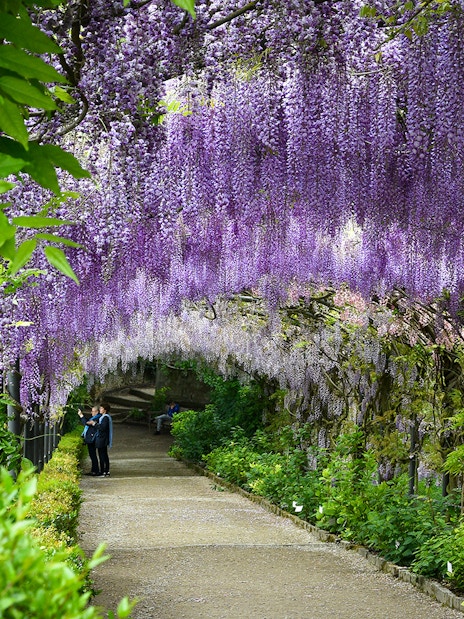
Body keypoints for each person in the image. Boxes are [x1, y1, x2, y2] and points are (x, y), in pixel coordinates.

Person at [91, 401, 113, 477]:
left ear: (105, 410)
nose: (100, 409)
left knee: (102, 455)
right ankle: (105, 471)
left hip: (102, 438)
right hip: (102, 438)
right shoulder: (104, 417)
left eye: (101, 408)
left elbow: (102, 428)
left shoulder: (105, 417)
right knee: (103, 454)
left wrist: (94, 424)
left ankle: (104, 471)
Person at [78, 406, 101, 476]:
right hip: (90, 438)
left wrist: (81, 415)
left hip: (92, 439)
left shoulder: (97, 418)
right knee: (92, 455)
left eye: (93, 411)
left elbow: (86, 423)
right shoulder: (94, 417)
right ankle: (94, 469)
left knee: (93, 455)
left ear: (97, 412)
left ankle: (95, 470)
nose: (91, 412)